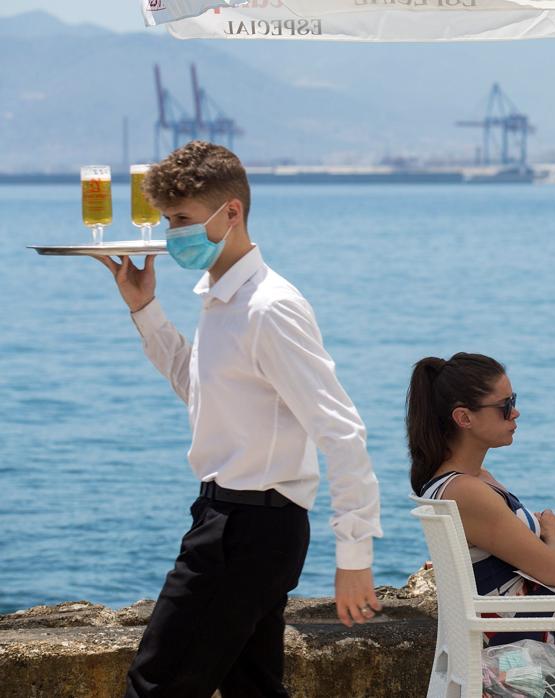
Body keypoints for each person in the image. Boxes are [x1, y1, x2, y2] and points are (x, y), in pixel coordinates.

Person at [98, 141, 383, 697]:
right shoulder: (221, 299)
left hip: (248, 527)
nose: (170, 232)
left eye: (181, 219)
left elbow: (340, 429)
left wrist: (354, 555)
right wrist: (144, 308)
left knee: (157, 684)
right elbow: (197, 388)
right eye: (166, 219)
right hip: (231, 519)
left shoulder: (268, 307)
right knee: (251, 688)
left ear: (232, 212)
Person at [408, 353, 555, 678]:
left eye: (513, 400)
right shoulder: (466, 491)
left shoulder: (471, 480)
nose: (515, 412)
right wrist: (552, 538)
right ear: (464, 417)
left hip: (532, 625)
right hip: (518, 650)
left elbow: (544, 558)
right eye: (505, 405)